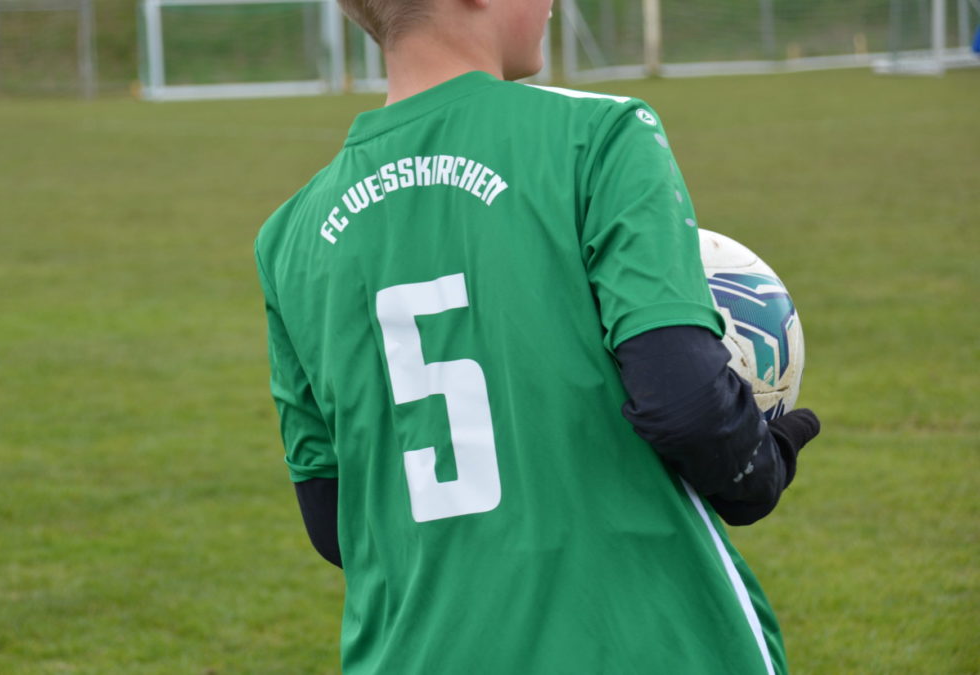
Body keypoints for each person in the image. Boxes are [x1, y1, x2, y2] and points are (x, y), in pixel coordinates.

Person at [254, 0, 820, 672]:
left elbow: (335, 518)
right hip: (641, 642)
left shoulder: (288, 235)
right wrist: (752, 466)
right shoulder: (600, 136)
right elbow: (685, 399)